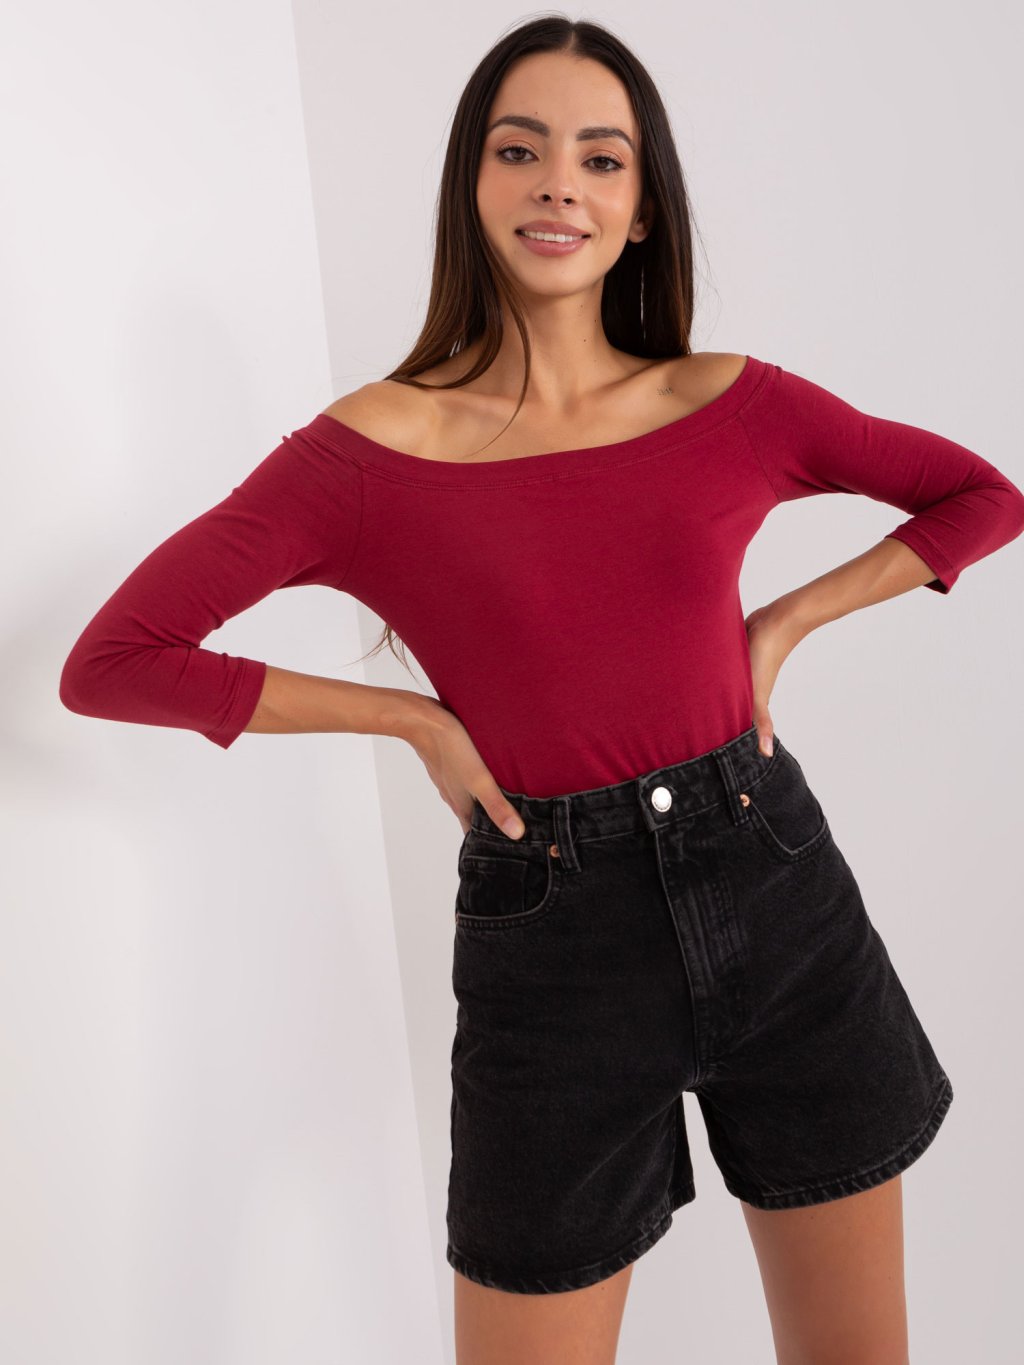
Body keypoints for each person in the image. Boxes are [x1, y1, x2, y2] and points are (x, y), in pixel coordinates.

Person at [59, 15, 1024, 1365]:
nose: (559, 183)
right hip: (551, 938)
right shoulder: (370, 451)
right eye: (520, 150)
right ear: (473, 182)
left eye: (600, 158)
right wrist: (409, 718)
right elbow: (113, 659)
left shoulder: (731, 403)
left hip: (778, 892)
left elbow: (982, 497)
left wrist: (786, 621)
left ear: (641, 206)